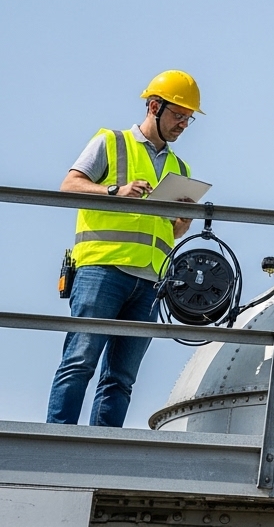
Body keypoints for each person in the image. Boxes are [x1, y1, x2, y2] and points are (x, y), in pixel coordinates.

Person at [47, 70, 201, 426]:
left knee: (121, 379)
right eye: (178, 115)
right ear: (154, 106)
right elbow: (69, 186)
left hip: (150, 282)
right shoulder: (111, 142)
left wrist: (184, 221)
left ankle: (102, 449)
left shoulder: (180, 167)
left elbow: (171, 232)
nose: (183, 124)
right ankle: (57, 440)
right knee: (79, 362)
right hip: (103, 271)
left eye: (188, 118)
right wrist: (115, 190)